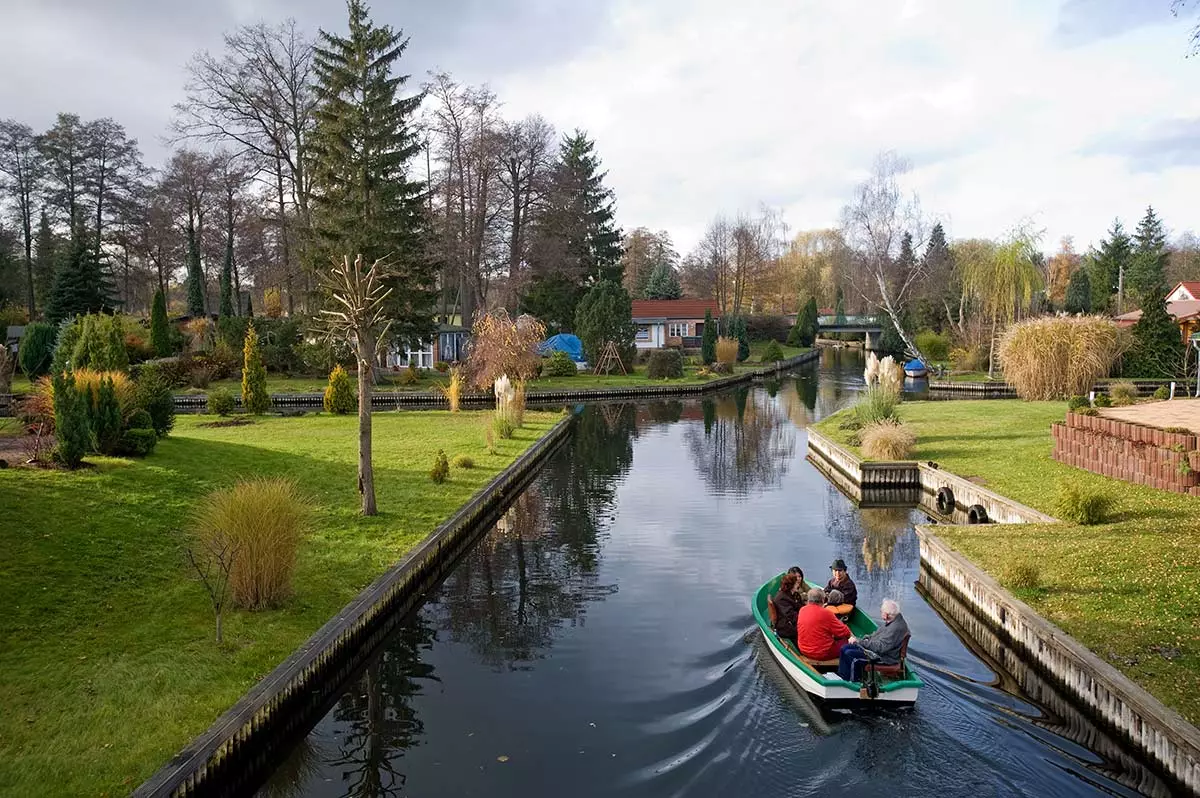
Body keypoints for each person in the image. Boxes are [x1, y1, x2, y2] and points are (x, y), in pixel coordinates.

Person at [837, 599, 910, 682]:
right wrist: (865, 638)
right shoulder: (893, 619)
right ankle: (843, 676)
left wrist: (860, 642)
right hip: (877, 652)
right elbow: (877, 634)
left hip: (884, 658)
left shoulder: (894, 628)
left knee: (850, 655)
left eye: (881, 611)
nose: (880, 612)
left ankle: (854, 681)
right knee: (844, 648)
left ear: (886, 615)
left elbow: (881, 647)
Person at [796, 587, 851, 661]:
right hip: (822, 653)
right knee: (847, 642)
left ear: (809, 600)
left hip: (803, 649)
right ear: (823, 599)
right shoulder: (826, 613)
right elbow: (844, 632)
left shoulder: (802, 610)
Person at [772, 571, 804, 643]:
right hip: (785, 628)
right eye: (796, 583)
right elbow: (791, 616)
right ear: (791, 585)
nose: (798, 584)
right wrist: (806, 620)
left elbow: (801, 606)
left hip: (792, 623)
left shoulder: (793, 594)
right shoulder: (782, 599)